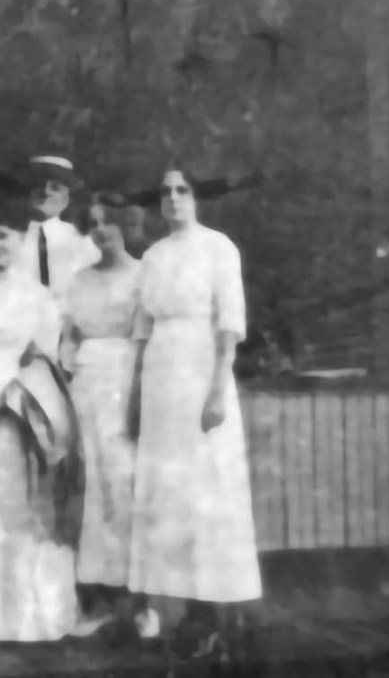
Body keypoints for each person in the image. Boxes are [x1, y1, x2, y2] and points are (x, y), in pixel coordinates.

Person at [127, 167, 261, 657]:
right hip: (161, 379)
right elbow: (142, 331)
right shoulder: (153, 256)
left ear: (197, 197)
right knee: (168, 494)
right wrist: (137, 393)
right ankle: (175, 609)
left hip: (201, 369)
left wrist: (217, 391)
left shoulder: (218, 247)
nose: (173, 199)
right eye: (164, 192)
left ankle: (215, 614)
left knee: (207, 491)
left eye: (182, 190)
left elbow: (229, 325)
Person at [0, 198, 80, 644]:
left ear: (19, 240)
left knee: (22, 510)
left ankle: (30, 615)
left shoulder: (39, 297)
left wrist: (14, 400)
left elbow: (42, 360)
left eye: (2, 236)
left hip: (21, 411)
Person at [60, 191, 145, 637]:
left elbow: (145, 340)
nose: (100, 231)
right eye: (92, 224)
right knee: (90, 488)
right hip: (86, 388)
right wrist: (69, 366)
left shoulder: (141, 275)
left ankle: (138, 599)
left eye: (107, 222)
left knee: (123, 485)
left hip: (125, 381)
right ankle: (97, 599)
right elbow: (68, 338)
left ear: (124, 225)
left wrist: (136, 399)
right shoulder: (79, 280)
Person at [0, 156, 99, 307]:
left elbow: (95, 295)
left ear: (66, 199)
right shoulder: (2, 243)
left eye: (55, 187)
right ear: (29, 193)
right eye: (40, 186)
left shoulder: (81, 243)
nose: (46, 192)